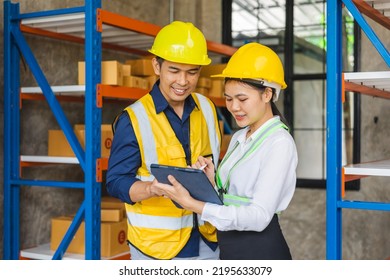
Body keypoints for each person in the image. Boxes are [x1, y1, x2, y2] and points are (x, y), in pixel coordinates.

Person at [154, 42, 298, 260]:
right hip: (229, 249)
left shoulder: (279, 143)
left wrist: (194, 205)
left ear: (267, 94)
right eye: (229, 99)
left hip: (260, 252)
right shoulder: (241, 137)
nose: (234, 107)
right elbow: (235, 197)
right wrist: (211, 181)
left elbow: (259, 217)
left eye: (242, 99)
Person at [106, 21, 222, 260]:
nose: (183, 81)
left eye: (192, 72)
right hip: (156, 251)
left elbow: (218, 167)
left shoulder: (208, 109)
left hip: (207, 240)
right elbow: (116, 182)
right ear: (156, 66)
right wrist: (150, 189)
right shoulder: (133, 119)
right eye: (174, 70)